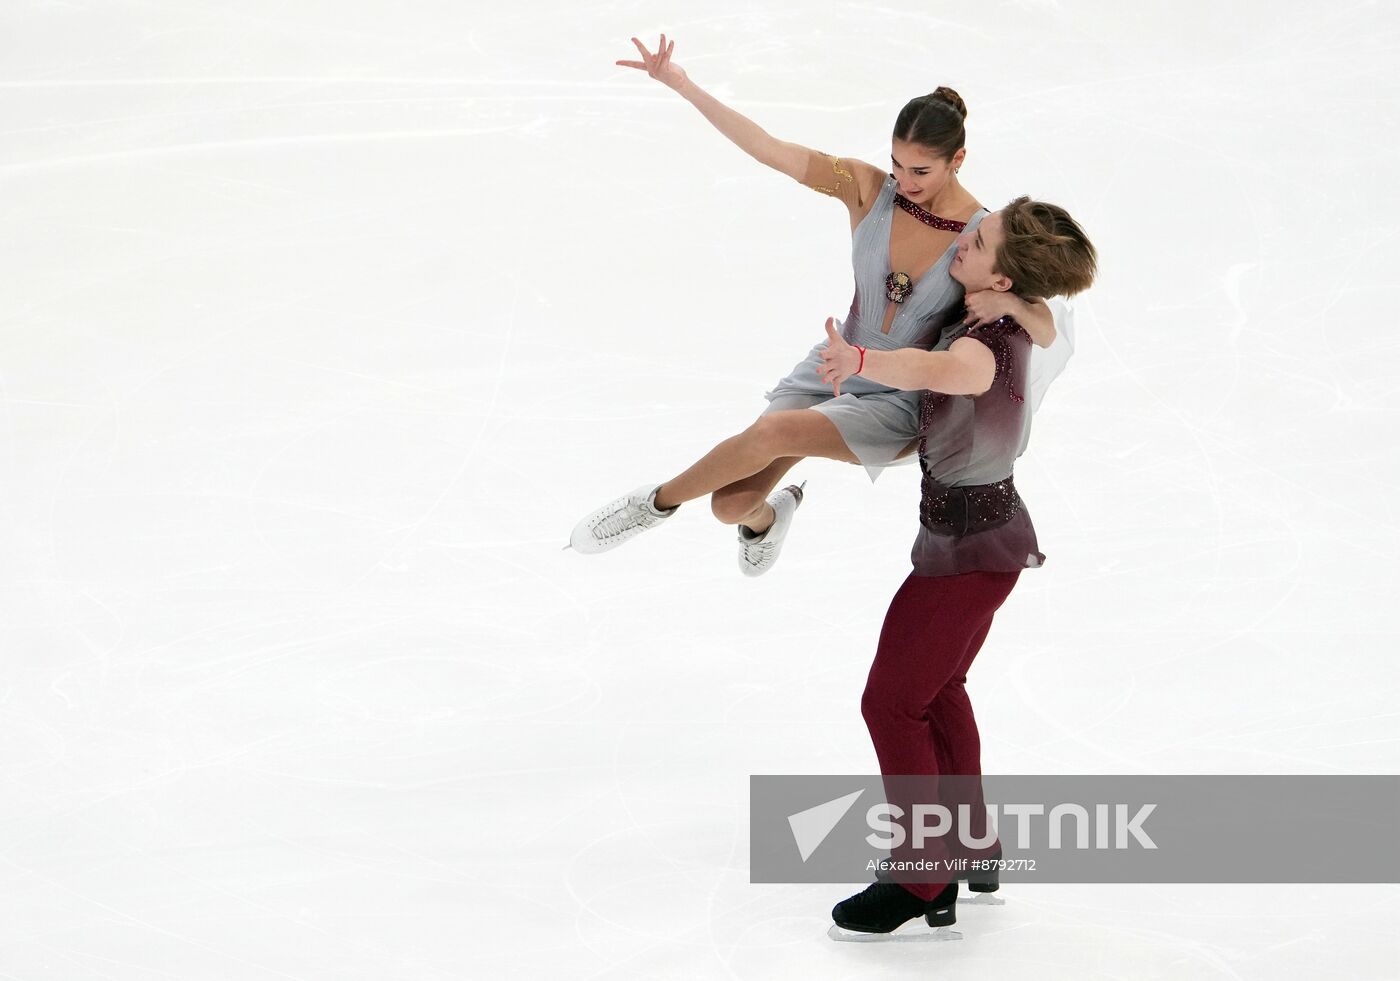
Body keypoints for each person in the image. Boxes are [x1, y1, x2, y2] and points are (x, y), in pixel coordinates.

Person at [569, 35, 1058, 575]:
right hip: (833, 366)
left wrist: (1020, 309)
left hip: (896, 399)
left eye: (920, 171)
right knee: (729, 504)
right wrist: (685, 87)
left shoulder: (978, 238)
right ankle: (768, 520)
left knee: (775, 433)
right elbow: (773, 149)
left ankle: (653, 505)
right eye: (896, 164)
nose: (904, 181)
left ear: (957, 159)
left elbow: (1043, 319)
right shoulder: (867, 189)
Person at [816, 196, 1097, 938]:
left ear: (1004, 280)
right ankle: (975, 845)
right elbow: (1026, 306)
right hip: (976, 539)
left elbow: (937, 367)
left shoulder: (984, 347)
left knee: (890, 702)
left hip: (970, 553)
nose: (964, 240)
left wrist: (863, 359)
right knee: (937, 691)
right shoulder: (1013, 310)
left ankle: (921, 875)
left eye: (979, 239)